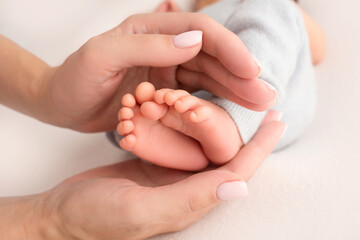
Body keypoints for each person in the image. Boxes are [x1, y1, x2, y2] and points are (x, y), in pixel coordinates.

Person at [0, 11, 286, 240]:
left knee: (269, 16)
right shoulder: (202, 15)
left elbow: (314, 42)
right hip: (195, 96)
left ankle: (225, 125)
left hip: (253, 93)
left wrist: (43, 88)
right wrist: (49, 219)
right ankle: (193, 142)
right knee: (163, 102)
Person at [115, 0, 326, 170]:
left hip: (267, 103)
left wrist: (289, 7)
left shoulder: (274, 8)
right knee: (150, 71)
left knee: (277, 10)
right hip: (194, 101)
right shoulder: (204, 14)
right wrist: (165, 20)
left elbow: (318, 48)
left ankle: (232, 120)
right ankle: (178, 143)